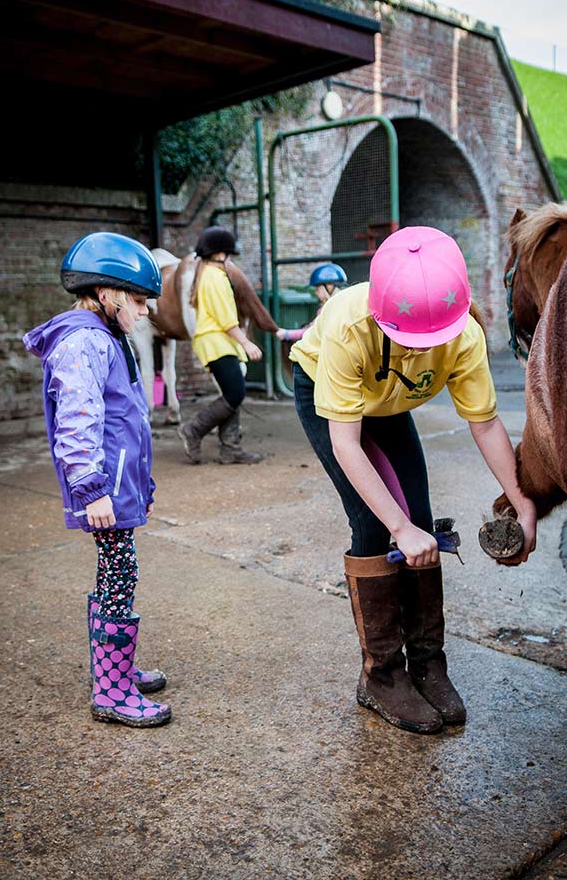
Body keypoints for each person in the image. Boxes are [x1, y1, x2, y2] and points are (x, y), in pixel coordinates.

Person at [289, 226, 537, 735]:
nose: (425, 349)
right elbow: (347, 445)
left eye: (435, 339)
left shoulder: (465, 335)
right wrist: (399, 528)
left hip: (390, 403)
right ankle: (380, 675)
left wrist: (522, 500)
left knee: (421, 520)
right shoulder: (346, 324)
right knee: (376, 528)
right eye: (410, 339)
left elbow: (486, 423)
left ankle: (428, 663)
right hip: (334, 403)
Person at [23, 232, 172, 729]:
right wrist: (92, 488)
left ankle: (117, 672)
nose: (147, 309)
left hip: (115, 484)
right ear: (106, 294)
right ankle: (111, 690)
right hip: (101, 489)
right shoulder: (85, 340)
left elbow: (122, 418)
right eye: (139, 299)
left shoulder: (104, 336)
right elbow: (78, 418)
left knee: (117, 574)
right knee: (118, 576)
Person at [178, 225, 264, 465]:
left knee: (231, 393)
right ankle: (193, 430)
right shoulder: (215, 277)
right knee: (236, 393)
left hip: (218, 342)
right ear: (220, 253)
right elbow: (227, 319)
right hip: (217, 342)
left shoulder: (207, 273)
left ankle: (230, 448)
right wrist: (246, 343)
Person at [276, 263, 348, 343]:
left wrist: (286, 334)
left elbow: (312, 333)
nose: (316, 293)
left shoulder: (329, 309)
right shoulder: (343, 304)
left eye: (317, 289)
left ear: (329, 287)